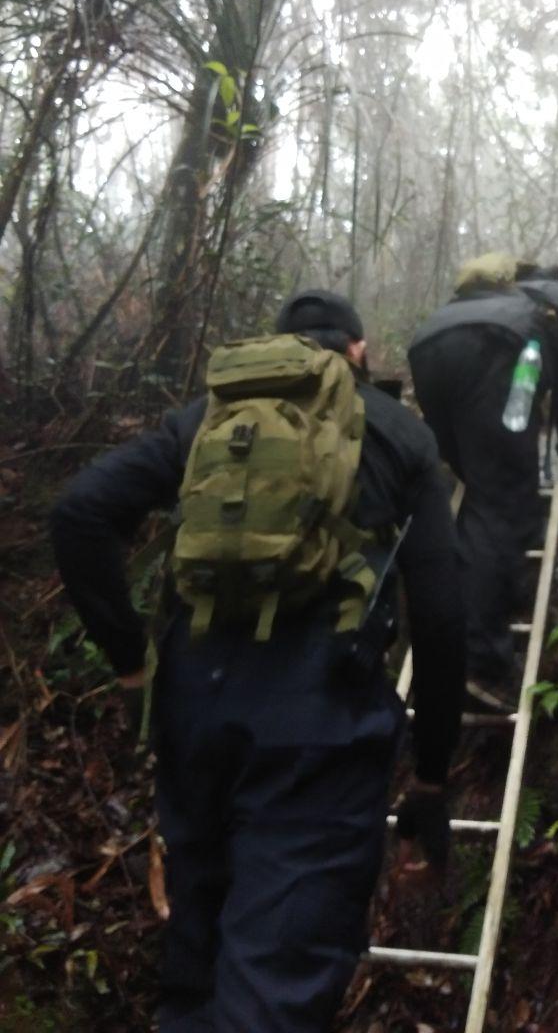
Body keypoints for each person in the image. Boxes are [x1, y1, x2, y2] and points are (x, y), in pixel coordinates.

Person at [50, 289, 464, 1033]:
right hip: (319, 733)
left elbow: (78, 514)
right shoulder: (400, 432)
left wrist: (132, 667)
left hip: (194, 715)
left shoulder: (204, 421)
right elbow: (440, 616)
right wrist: (430, 779)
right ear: (358, 353)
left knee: (197, 960)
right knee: (274, 983)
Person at [407, 253, 558, 711]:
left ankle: (492, 590)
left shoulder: (483, 295)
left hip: (429, 348)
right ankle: (481, 665)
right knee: (503, 499)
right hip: (505, 350)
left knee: (486, 488)